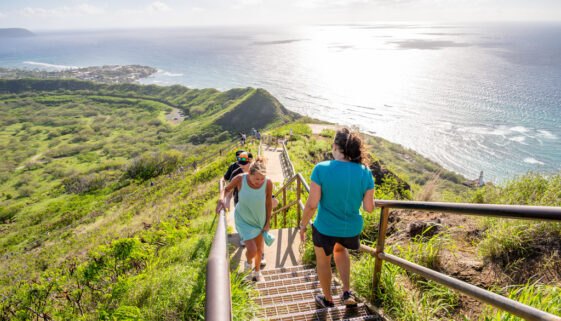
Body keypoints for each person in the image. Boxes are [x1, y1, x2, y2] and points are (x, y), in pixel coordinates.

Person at [298, 128, 375, 308]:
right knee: (340, 250)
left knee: (323, 262)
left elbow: (311, 205)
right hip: (351, 229)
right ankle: (347, 292)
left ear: (334, 147)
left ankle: (328, 300)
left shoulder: (321, 169)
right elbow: (369, 208)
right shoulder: (365, 172)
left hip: (326, 227)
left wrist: (302, 225)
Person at [216, 157, 273, 281]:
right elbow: (226, 189)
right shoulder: (240, 179)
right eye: (257, 178)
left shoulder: (268, 183)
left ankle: (257, 273)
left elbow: (269, 203)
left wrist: (268, 222)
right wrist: (221, 200)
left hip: (259, 219)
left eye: (262, 178)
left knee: (259, 249)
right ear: (250, 174)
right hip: (243, 219)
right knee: (252, 250)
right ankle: (248, 267)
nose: (259, 181)